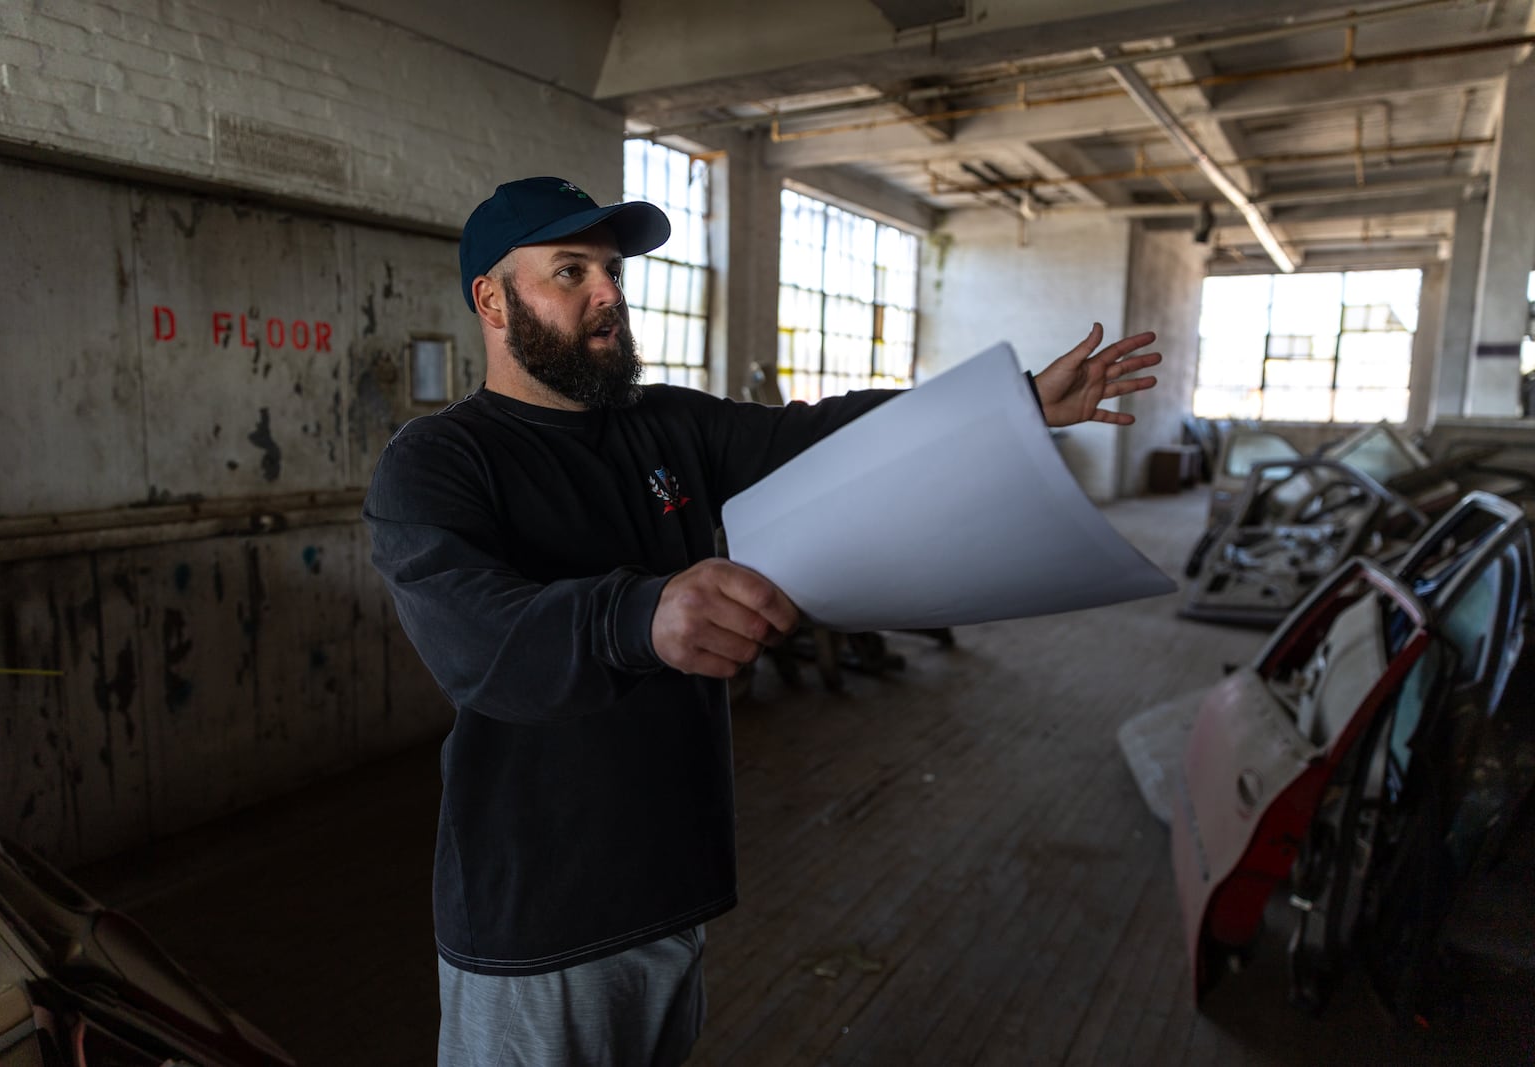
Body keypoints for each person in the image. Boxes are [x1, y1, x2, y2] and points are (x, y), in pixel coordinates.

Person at [362, 175, 1162, 1066]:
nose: (607, 294)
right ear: (491, 298)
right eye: (570, 271)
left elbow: (817, 437)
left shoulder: (662, 424)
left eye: (614, 270)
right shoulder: (437, 462)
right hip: (538, 915)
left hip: (670, 892)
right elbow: (479, 642)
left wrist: (1010, 404)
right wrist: (643, 613)